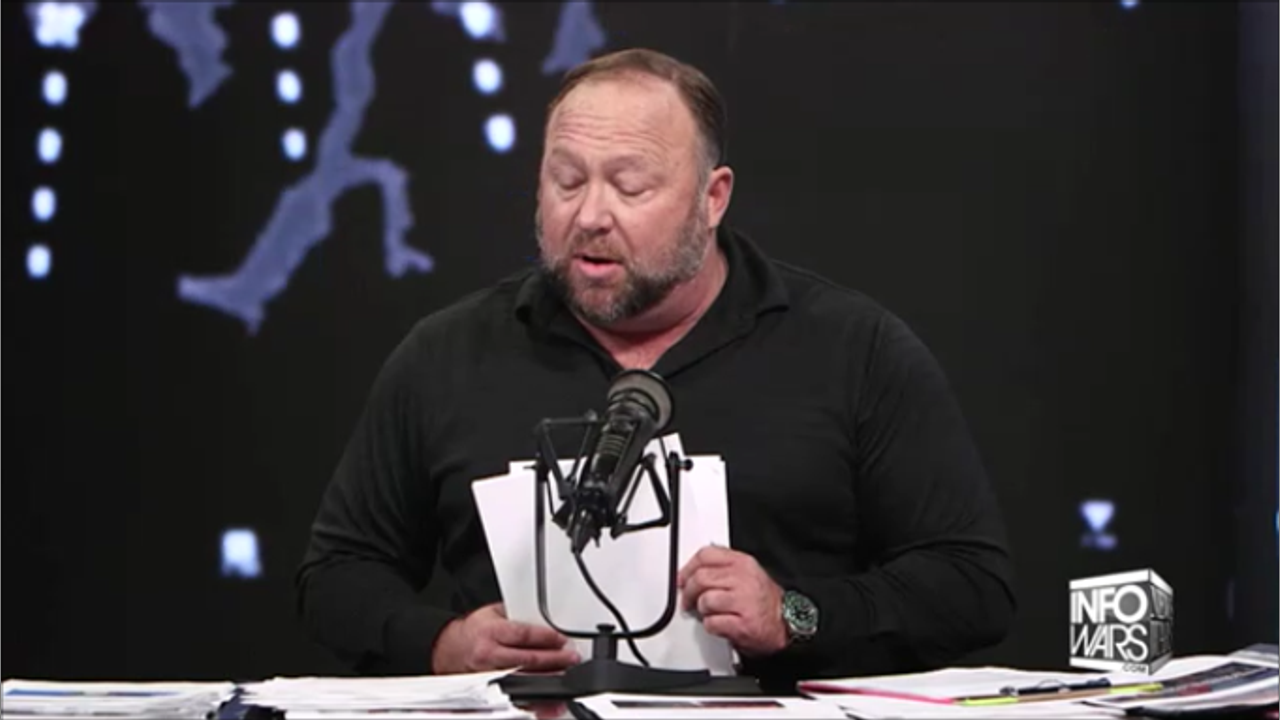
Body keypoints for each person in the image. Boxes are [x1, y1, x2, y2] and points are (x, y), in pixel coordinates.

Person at [295, 47, 1015, 693]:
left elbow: (971, 585)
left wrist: (795, 615)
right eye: (566, 181)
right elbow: (336, 576)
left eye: (631, 186)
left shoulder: (853, 349)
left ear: (712, 198)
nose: (589, 215)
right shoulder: (446, 355)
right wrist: (440, 644)